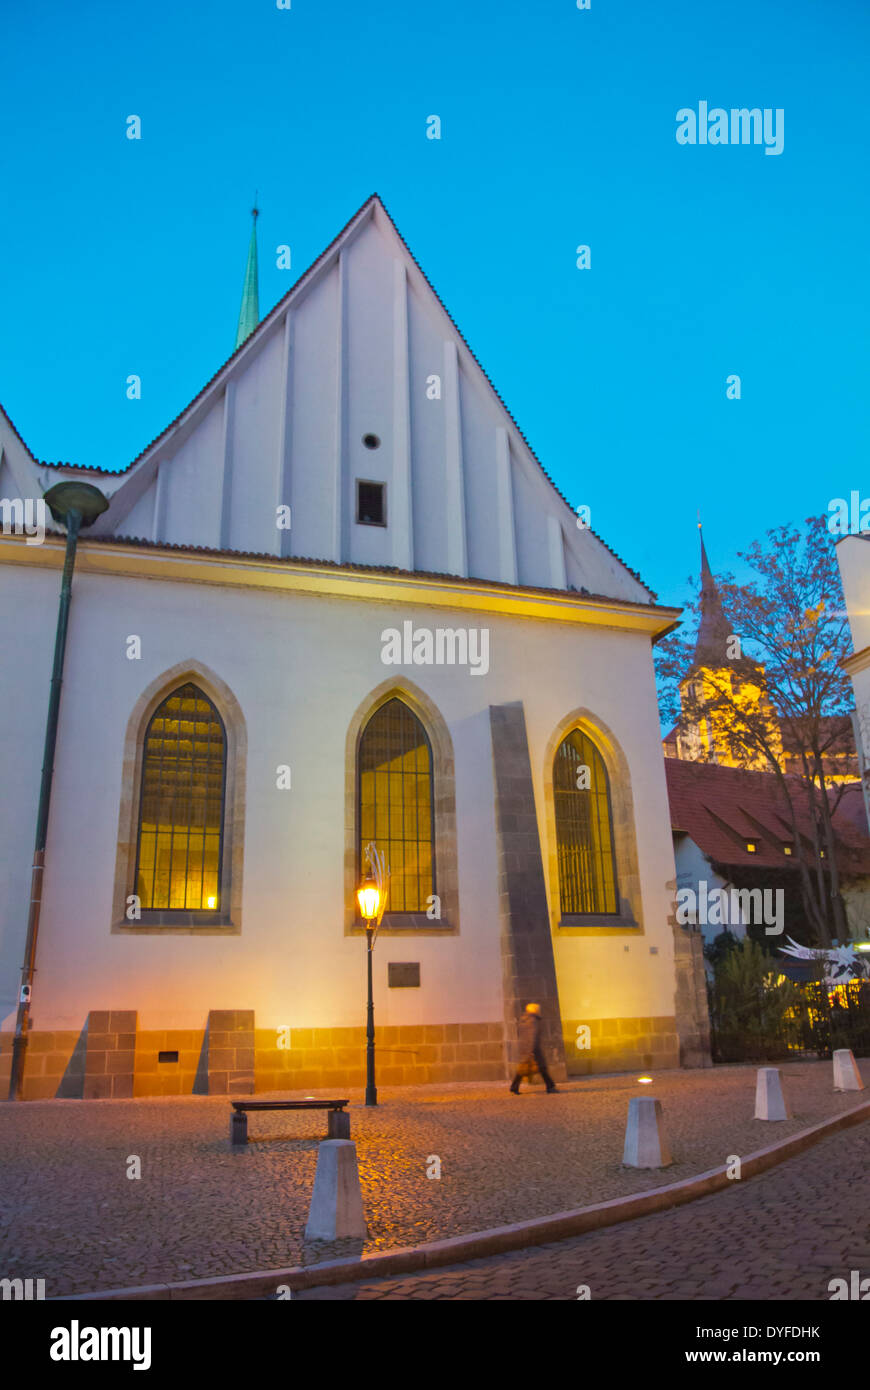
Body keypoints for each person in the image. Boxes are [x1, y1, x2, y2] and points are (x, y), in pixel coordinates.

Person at [509, 1002, 559, 1093]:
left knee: (524, 1069)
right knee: (541, 1068)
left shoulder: (524, 1019)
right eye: (538, 1009)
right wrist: (531, 1051)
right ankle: (550, 1086)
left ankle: (514, 1087)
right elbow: (532, 1036)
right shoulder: (533, 1020)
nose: (539, 1011)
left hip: (526, 1049)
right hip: (533, 1050)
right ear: (535, 1010)